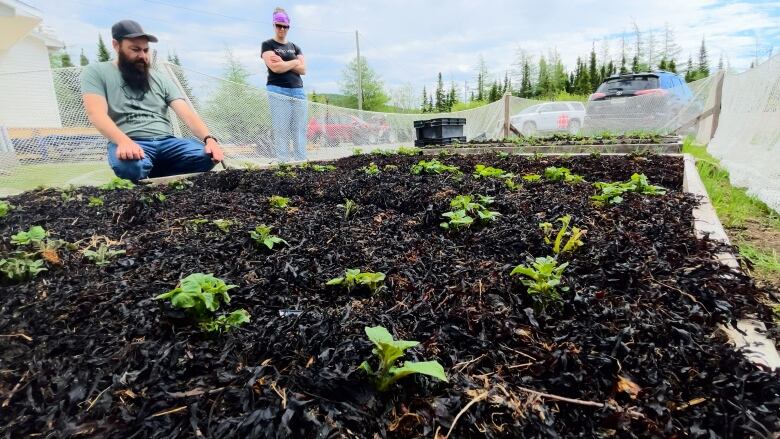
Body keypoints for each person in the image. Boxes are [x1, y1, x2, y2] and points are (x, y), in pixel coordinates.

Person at [81, 19, 224, 181]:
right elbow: (96, 114)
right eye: (135, 49)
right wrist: (123, 141)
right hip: (131, 141)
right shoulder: (96, 72)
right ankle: (149, 171)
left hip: (168, 144)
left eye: (145, 50)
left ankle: (158, 177)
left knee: (206, 156)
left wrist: (209, 139)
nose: (142, 55)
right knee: (131, 167)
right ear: (116, 45)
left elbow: (187, 114)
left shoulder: (159, 78)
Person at [261, 7, 307, 162]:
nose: (282, 29)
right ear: (274, 25)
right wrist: (294, 63)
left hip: (298, 91)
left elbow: (303, 69)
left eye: (285, 26)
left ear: (289, 26)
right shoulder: (267, 45)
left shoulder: (295, 47)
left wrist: (288, 62)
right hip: (278, 90)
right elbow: (275, 67)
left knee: (299, 129)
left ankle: (301, 162)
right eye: (279, 25)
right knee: (282, 129)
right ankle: (283, 163)